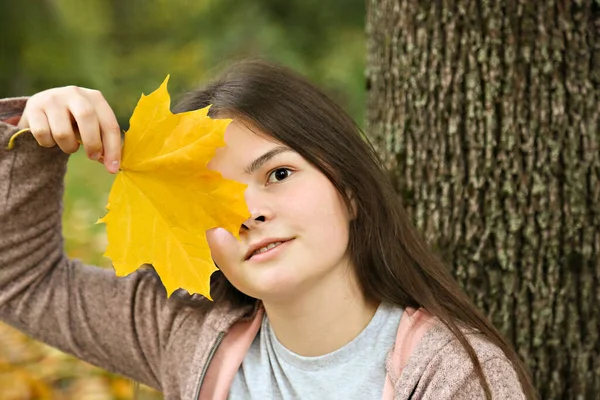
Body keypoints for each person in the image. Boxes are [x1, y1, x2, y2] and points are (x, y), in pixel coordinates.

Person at [0, 61, 536, 399]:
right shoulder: (182, 332)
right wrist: (35, 137)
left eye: (277, 174)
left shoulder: (455, 379)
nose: (247, 212)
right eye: (210, 196)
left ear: (348, 188)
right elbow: (21, 281)